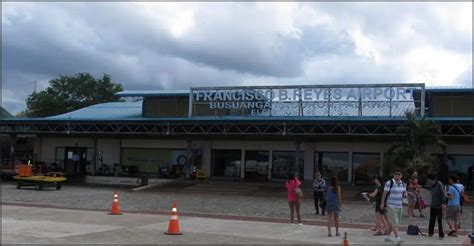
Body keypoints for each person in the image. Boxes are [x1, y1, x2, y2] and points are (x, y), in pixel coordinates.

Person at [380, 169, 405, 244]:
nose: (397, 175)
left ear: (401, 175)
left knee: (392, 223)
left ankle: (387, 237)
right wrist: (382, 203)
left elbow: (403, 194)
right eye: (395, 174)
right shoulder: (389, 183)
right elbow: (384, 194)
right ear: (393, 175)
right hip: (391, 206)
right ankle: (397, 238)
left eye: (399, 174)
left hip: (399, 206)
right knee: (395, 222)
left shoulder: (403, 184)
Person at [425, 173, 446, 239]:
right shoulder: (431, 185)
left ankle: (441, 235)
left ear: (431, 179)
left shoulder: (439, 183)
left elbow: (443, 194)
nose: (427, 180)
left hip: (439, 206)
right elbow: (428, 188)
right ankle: (430, 232)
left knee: (440, 221)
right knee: (432, 220)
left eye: (428, 179)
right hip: (433, 205)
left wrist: (443, 203)